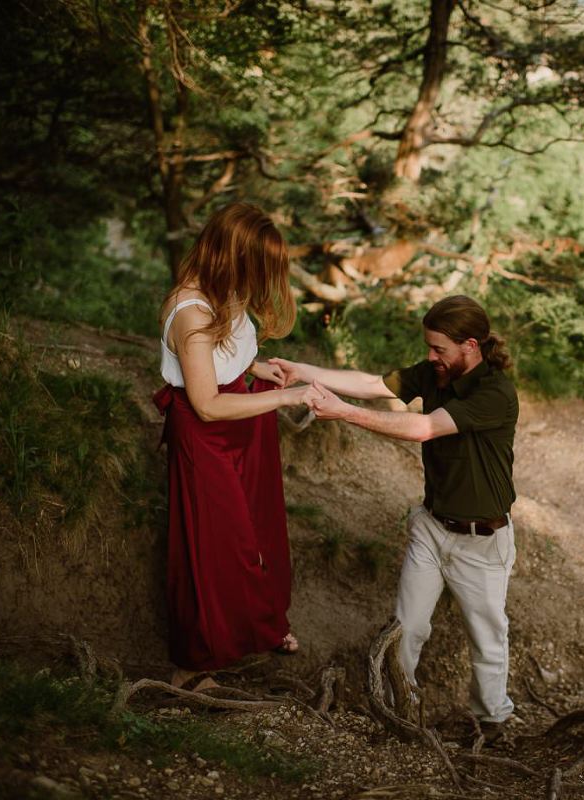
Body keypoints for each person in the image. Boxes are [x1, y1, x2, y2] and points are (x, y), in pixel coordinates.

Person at [291, 295, 519, 739]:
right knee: (406, 627)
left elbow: (425, 427)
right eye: (429, 347)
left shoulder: (495, 393)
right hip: (432, 528)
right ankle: (399, 710)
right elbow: (373, 383)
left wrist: (343, 412)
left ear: (470, 345)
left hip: (482, 541)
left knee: (487, 638)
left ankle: (493, 721)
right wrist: (302, 371)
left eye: (440, 349)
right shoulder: (436, 371)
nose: (431, 356)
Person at [152, 202, 310, 691]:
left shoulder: (227, 292)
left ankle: (257, 624)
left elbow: (225, 360)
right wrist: (286, 396)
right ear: (233, 258)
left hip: (243, 420)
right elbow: (204, 404)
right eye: (257, 269)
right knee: (216, 546)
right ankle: (193, 667)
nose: (261, 281)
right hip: (208, 434)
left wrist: (256, 370)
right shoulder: (192, 311)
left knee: (257, 531)